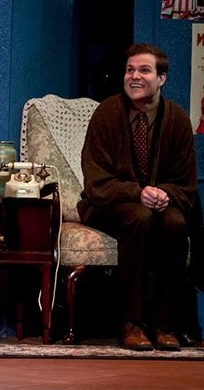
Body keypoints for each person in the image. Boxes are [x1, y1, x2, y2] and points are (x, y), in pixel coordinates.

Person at [77, 43, 197, 352]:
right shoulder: (107, 113)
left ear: (161, 78)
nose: (134, 77)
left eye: (144, 70)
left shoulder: (177, 119)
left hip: (159, 205)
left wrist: (164, 194)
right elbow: (96, 180)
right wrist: (136, 192)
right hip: (108, 205)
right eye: (130, 70)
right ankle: (131, 323)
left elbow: (185, 183)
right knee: (139, 217)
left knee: (174, 223)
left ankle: (166, 325)